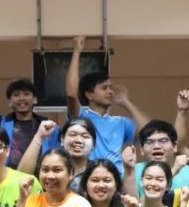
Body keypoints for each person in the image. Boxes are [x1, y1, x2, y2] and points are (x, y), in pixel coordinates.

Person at [64, 34, 149, 171]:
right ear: (89, 94)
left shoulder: (120, 122)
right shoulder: (81, 117)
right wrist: (76, 51)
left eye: (111, 87)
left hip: (116, 179)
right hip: (88, 177)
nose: (110, 91)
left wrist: (126, 102)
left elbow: (148, 132)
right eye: (104, 88)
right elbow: (71, 94)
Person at [20, 116, 97, 190]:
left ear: (93, 144)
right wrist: (39, 137)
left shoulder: (97, 171)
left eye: (85, 136)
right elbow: (21, 176)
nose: (78, 140)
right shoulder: (49, 167)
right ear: (62, 139)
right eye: (73, 135)